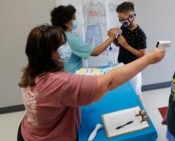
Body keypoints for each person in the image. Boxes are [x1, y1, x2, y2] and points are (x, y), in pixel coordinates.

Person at [17, 24, 165, 141]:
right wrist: (147, 59)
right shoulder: (58, 83)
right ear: (46, 54)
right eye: (61, 45)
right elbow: (108, 82)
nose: (66, 48)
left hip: (29, 130)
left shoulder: (32, 71)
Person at [50, 5, 120, 73]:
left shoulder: (58, 35)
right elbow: (95, 52)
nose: (75, 21)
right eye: (73, 19)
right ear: (66, 23)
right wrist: (111, 38)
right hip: (71, 75)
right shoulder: (69, 38)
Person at [114, 1, 147, 100]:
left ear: (131, 17)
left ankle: (142, 113)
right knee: (123, 91)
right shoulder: (123, 27)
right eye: (119, 18)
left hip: (134, 69)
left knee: (136, 94)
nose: (120, 21)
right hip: (121, 65)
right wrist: (113, 39)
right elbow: (119, 44)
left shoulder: (140, 34)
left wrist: (126, 45)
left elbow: (142, 55)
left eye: (122, 19)